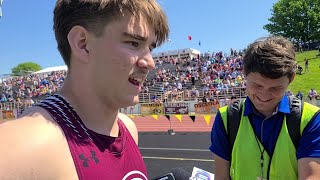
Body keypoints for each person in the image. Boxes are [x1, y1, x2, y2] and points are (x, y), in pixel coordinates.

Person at [0, 0, 169, 179]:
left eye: (150, 48)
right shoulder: (23, 144)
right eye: (133, 43)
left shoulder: (128, 128)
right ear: (82, 44)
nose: (150, 63)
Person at [210, 36, 320, 179]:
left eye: (276, 88)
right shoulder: (226, 118)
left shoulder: (310, 118)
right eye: (257, 85)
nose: (264, 95)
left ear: (291, 79)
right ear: (245, 74)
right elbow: (221, 177)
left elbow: (311, 176)